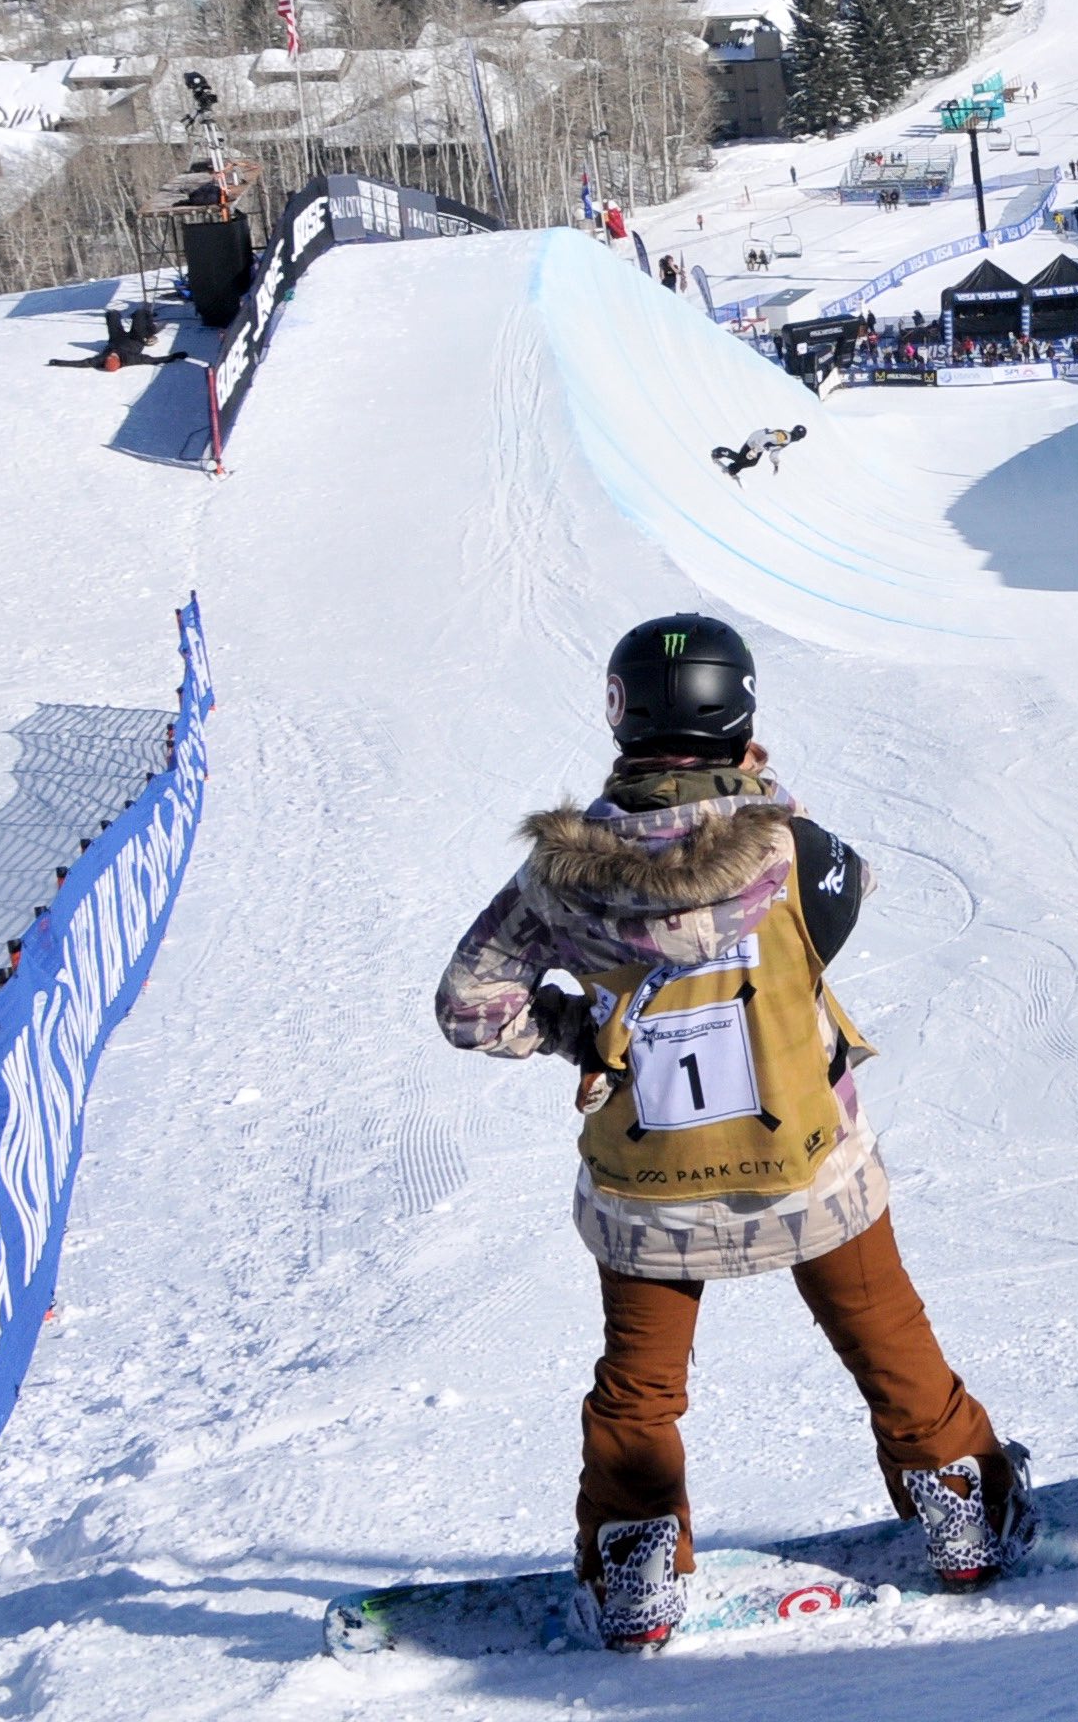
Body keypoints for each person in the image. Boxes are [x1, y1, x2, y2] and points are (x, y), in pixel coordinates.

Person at [437, 616, 1030, 1654]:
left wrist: (577, 1030)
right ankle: (962, 1512)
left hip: (648, 1187)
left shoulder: (559, 880)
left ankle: (637, 1569)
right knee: (885, 1337)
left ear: (621, 716)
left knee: (640, 1387)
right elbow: (847, 900)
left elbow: (469, 1006)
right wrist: (760, 796)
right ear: (740, 718)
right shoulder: (791, 849)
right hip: (807, 1167)